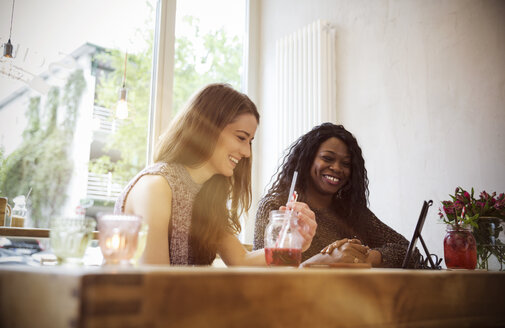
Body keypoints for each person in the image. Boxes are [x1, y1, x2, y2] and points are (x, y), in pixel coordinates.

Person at [114, 83, 317, 265]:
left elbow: (241, 260)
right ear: (206, 128)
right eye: (241, 137)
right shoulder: (156, 187)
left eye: (250, 141)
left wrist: (294, 244)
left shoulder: (206, 195)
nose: (247, 152)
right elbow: (155, 285)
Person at [253, 122, 415, 268]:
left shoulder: (351, 212)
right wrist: (327, 259)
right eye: (327, 158)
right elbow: (266, 274)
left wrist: (366, 257)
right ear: (307, 160)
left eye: (346, 164)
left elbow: (409, 251)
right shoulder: (277, 208)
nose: (337, 168)